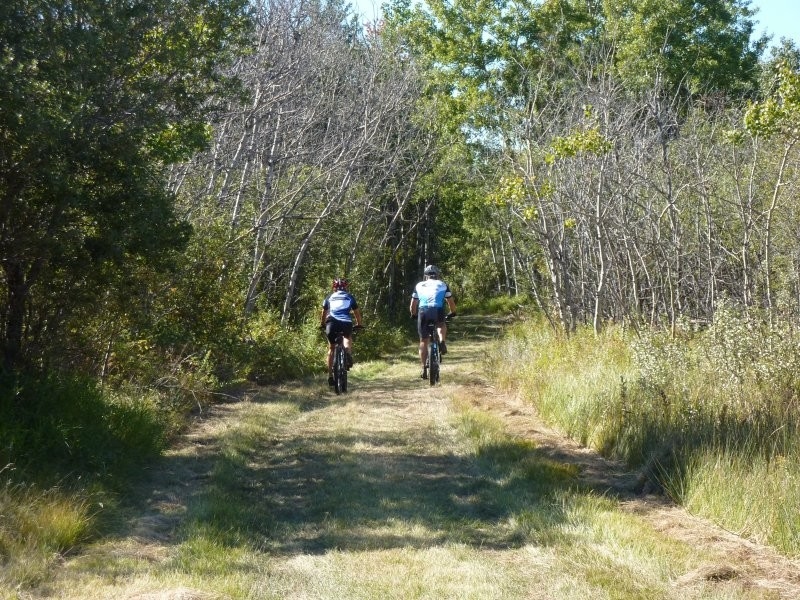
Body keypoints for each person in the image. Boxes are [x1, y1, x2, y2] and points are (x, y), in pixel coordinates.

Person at [410, 264, 457, 379]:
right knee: (441, 324)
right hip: (438, 310)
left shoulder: (419, 285)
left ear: (426, 276)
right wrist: (453, 312)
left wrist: (413, 314)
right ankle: (442, 341)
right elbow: (450, 302)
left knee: (423, 341)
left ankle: (423, 367)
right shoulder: (442, 284)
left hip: (423, 311)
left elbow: (413, 304)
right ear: (437, 275)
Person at [321, 278, 363, 387]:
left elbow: (324, 313)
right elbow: (356, 313)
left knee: (331, 348)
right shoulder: (349, 297)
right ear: (345, 287)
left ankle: (330, 375)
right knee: (347, 337)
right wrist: (359, 324)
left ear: (334, 288)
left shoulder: (329, 297)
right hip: (346, 323)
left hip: (332, 323)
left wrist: (322, 324)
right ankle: (347, 354)